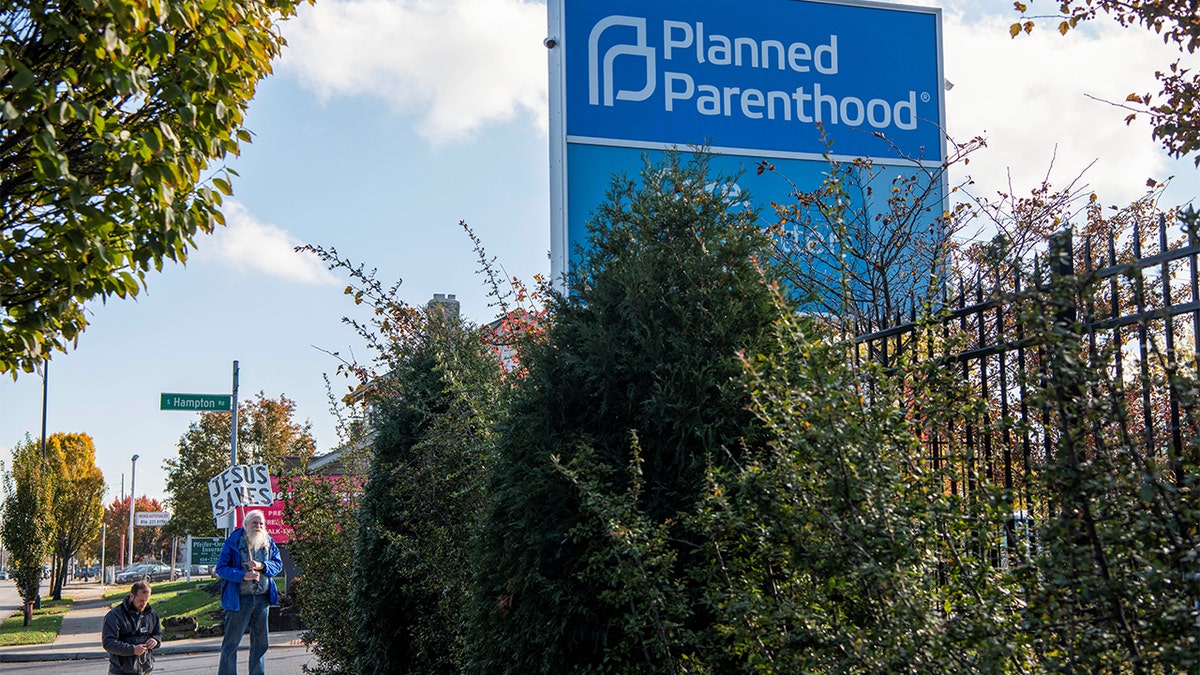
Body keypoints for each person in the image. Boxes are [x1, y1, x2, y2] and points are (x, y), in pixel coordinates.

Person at [216, 509, 284, 675]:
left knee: (261, 644)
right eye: (254, 523)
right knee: (231, 644)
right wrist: (243, 575)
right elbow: (221, 568)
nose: (258, 526)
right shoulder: (233, 542)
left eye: (261, 523)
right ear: (245, 524)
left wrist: (262, 566)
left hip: (262, 598)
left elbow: (277, 565)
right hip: (240, 599)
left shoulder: (268, 541)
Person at [102, 580, 162, 674]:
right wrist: (132, 650)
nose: (143, 604)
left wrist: (155, 640)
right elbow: (108, 643)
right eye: (140, 601)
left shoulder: (151, 615)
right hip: (121, 671)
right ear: (132, 596)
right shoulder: (114, 616)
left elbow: (158, 634)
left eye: (146, 601)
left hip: (145, 669)